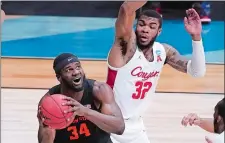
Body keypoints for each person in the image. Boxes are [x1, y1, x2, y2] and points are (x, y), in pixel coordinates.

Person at [106, 1, 206, 143]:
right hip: (110, 123)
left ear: (159, 31)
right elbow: (126, 8)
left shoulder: (162, 51)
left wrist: (196, 37)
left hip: (136, 126)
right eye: (141, 24)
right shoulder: (125, 49)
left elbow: (197, 72)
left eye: (152, 26)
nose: (145, 29)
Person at [37, 53, 125, 143]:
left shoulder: (99, 90)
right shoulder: (49, 102)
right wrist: (47, 128)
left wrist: (85, 112)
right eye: (69, 70)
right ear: (59, 77)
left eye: (78, 67)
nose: (76, 72)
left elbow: (119, 128)